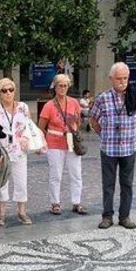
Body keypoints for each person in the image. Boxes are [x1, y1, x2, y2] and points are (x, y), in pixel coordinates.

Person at [91, 62, 136, 230]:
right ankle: (107, 216)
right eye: (119, 79)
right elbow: (93, 119)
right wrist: (104, 134)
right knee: (108, 184)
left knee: (127, 183)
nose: (122, 82)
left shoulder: (135, 95)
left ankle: (125, 216)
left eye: (125, 78)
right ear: (111, 79)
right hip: (109, 148)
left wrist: (132, 131)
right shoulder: (103, 98)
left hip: (129, 147)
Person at [39, 73, 86, 216]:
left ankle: (76, 202)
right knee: (55, 175)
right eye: (60, 85)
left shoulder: (74, 102)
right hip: (54, 142)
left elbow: (78, 121)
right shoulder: (48, 105)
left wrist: (73, 131)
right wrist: (42, 143)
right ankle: (55, 203)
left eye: (65, 85)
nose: (63, 88)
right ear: (55, 86)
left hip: (72, 142)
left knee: (76, 173)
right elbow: (41, 126)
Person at [0, 78, 32, 226]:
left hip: (20, 149)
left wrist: (26, 138)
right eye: (4, 90)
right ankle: (1, 213)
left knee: (21, 181)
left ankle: (21, 211)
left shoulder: (23, 107)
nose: (8, 93)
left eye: (11, 90)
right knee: (2, 182)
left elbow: (29, 126)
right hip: (3, 151)